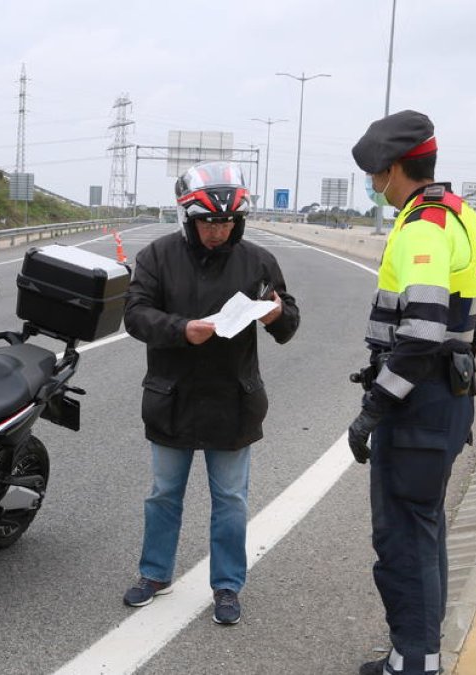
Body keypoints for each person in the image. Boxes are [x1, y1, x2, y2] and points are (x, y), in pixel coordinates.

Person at [122, 160, 300, 625]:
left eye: (225, 221)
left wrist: (274, 315)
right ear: (188, 218)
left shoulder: (258, 261)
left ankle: (227, 585)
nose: (217, 231)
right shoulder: (157, 257)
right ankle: (154, 573)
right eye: (207, 222)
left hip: (233, 398)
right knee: (163, 493)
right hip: (171, 395)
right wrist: (183, 329)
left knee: (231, 500)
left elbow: (289, 322)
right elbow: (136, 315)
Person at [347, 110, 476, 675]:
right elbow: (472, 323)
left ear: (392, 168)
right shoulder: (460, 216)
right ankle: (417, 653)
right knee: (424, 530)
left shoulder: (421, 228)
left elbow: (423, 330)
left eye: (374, 172)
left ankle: (413, 665)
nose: (372, 183)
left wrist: (374, 407)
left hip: (418, 406)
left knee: (403, 541)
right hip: (450, 397)